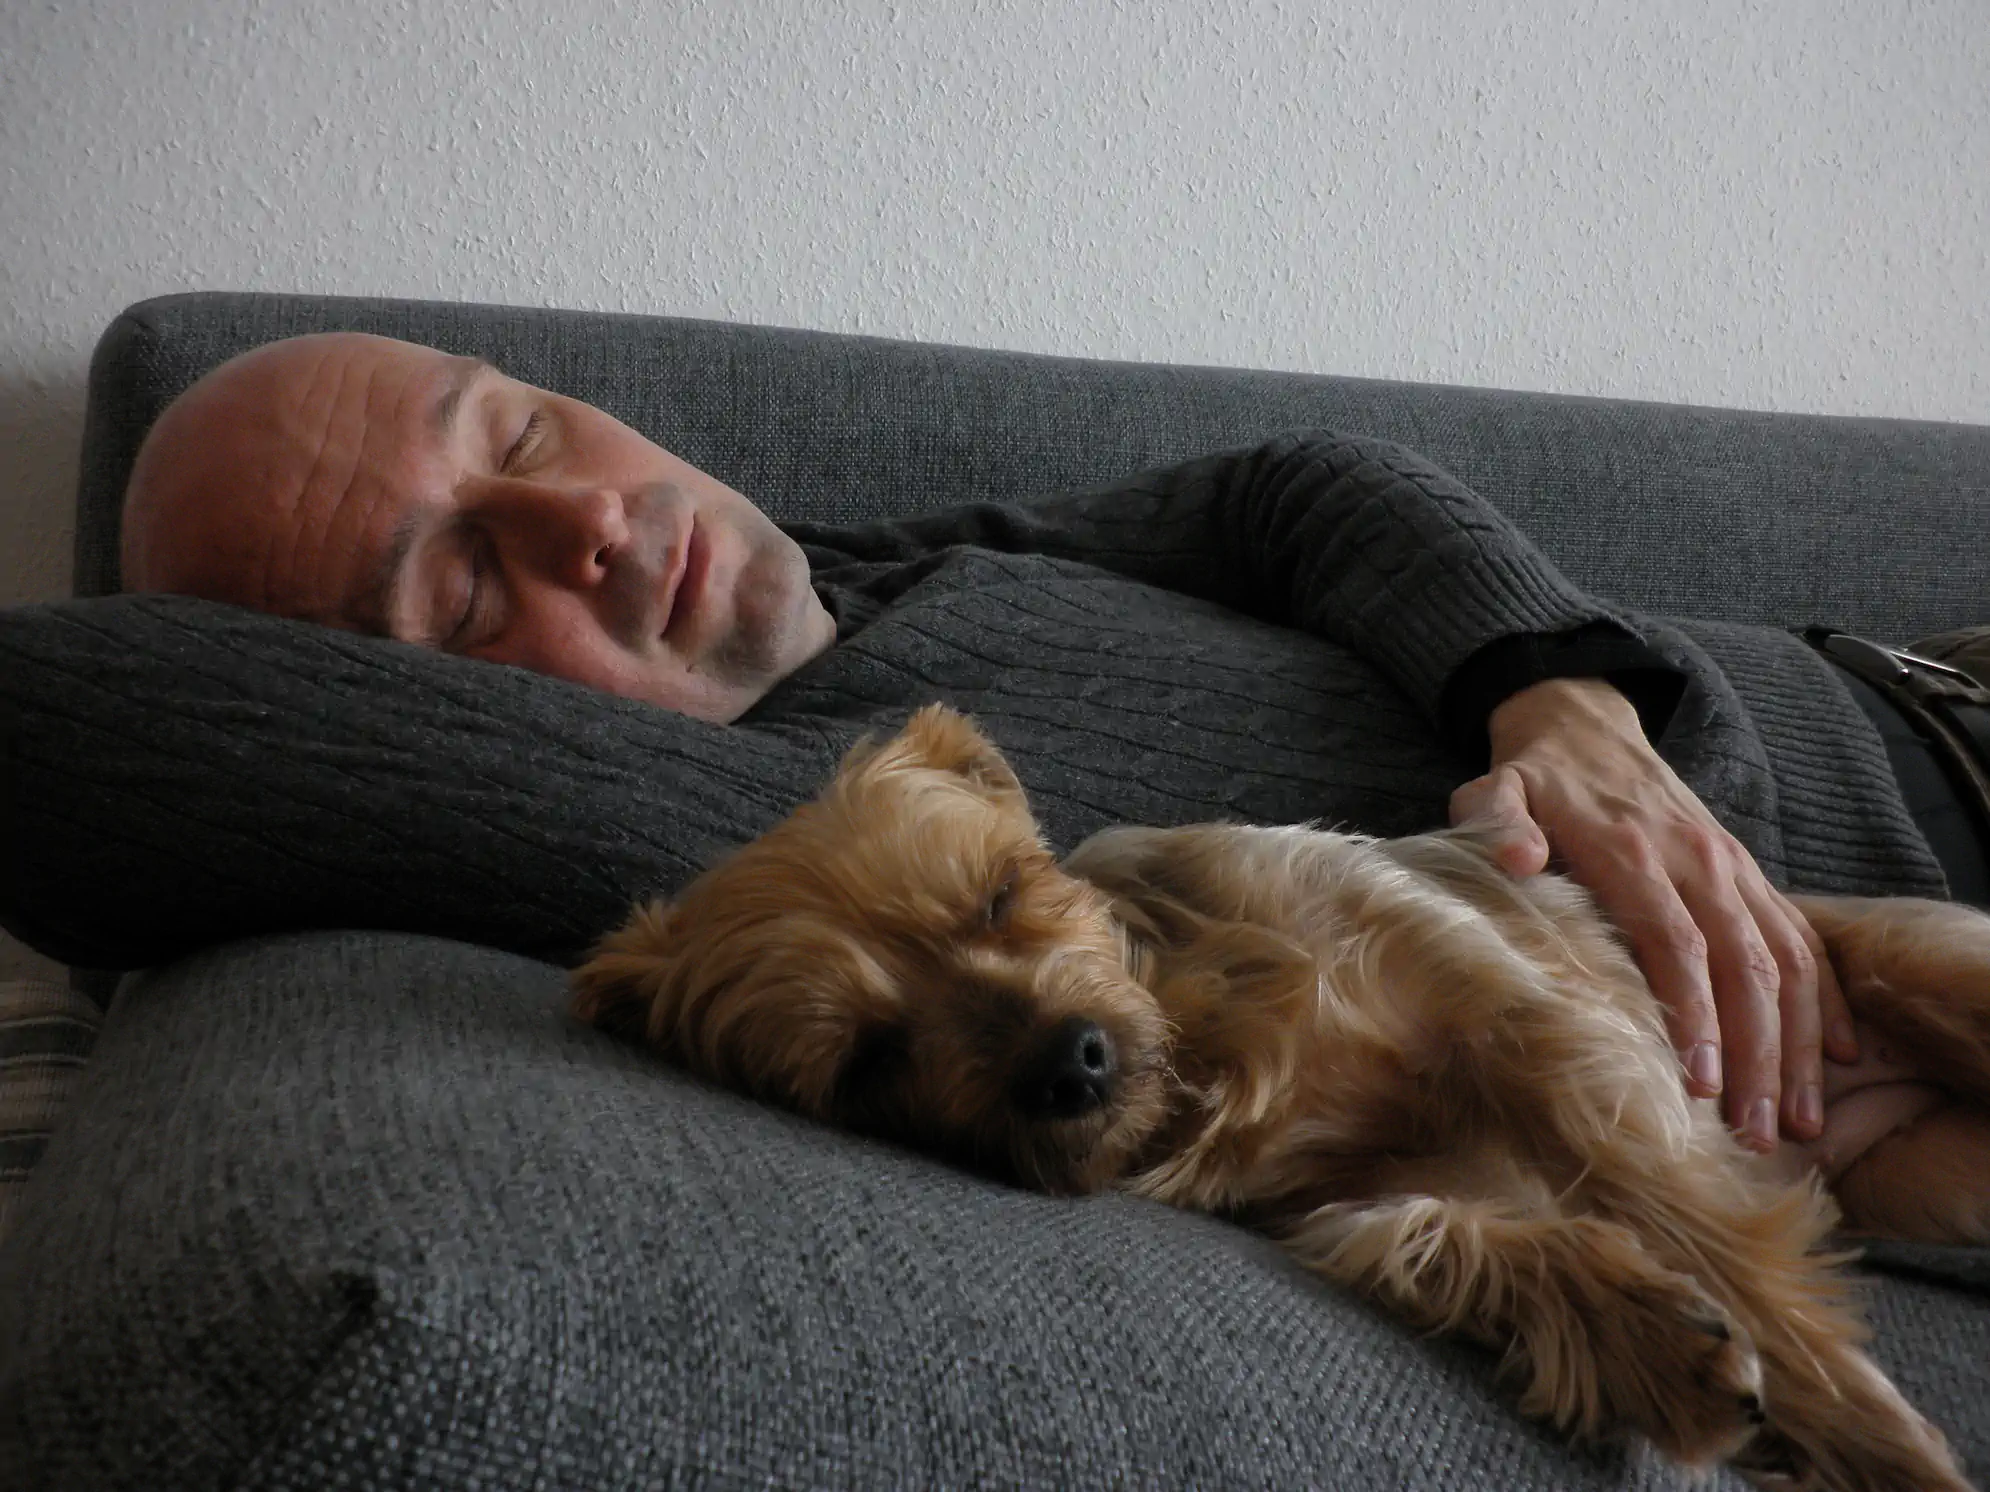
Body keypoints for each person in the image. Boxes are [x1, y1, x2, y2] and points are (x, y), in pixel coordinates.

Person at [119, 331, 1960, 1165]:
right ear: (412, 717)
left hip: (1925, 704)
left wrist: (1552, 692)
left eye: (519, 434)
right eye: (457, 589)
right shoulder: (764, 889)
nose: (586, 523)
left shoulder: (916, 564)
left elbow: (1301, 489)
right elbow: (78, 736)